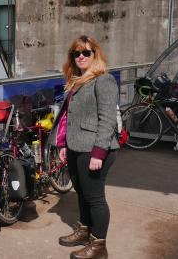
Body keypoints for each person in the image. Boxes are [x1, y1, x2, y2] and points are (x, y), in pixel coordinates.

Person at [56, 35, 119, 259]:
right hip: (76, 147)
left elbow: (107, 118)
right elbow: (68, 117)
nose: (81, 56)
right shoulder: (76, 80)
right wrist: (63, 143)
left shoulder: (103, 80)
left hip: (94, 149)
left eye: (86, 52)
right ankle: (84, 231)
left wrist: (99, 153)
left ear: (95, 55)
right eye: (76, 53)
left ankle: (99, 247)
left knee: (95, 198)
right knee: (81, 192)